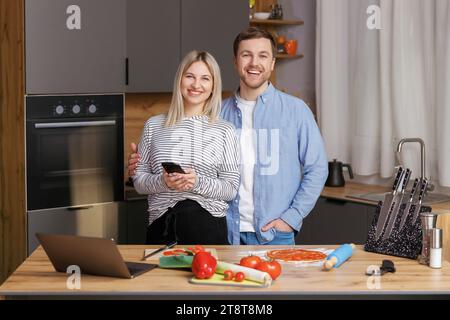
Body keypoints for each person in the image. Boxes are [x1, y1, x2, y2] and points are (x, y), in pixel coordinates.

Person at [129, 27, 328, 245]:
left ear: (272, 63)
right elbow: (167, 161)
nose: (254, 63)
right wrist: (145, 166)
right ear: (235, 62)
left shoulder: (295, 110)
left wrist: (291, 218)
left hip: (274, 233)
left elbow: (317, 169)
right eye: (246, 55)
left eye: (263, 56)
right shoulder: (217, 115)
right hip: (227, 231)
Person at [133, 50, 240, 245]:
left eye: (205, 78)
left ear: (213, 85)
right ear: (179, 80)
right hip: (161, 227)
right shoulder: (154, 125)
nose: (196, 85)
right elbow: (139, 182)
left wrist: (196, 182)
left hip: (208, 228)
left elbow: (231, 189)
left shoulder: (225, 130)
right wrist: (164, 182)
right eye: (190, 76)